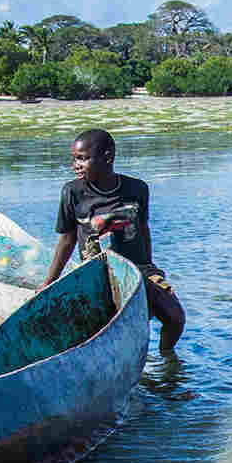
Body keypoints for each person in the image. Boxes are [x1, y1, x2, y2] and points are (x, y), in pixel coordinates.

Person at [42, 127, 186, 357]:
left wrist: (150, 267)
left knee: (175, 318)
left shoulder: (137, 189)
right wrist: (49, 282)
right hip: (97, 271)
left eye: (82, 159)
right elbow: (67, 239)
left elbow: (143, 228)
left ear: (107, 157)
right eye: (74, 159)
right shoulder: (72, 192)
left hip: (138, 269)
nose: (75, 165)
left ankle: (167, 359)